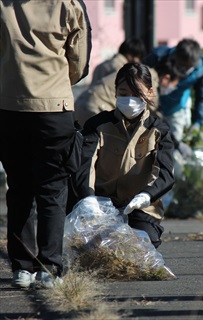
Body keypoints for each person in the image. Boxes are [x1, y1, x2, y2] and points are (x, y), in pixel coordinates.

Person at [0, 0, 91, 289]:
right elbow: (80, 60)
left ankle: (22, 267)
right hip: (54, 106)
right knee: (52, 189)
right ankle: (50, 267)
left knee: (19, 187)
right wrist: (56, 81)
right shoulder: (68, 3)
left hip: (9, 106)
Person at [72, 63, 175, 249]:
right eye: (124, 93)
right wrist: (89, 199)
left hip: (141, 207)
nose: (129, 100)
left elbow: (165, 174)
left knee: (142, 243)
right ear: (115, 93)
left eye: (137, 94)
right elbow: (85, 164)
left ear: (150, 93)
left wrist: (146, 195)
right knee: (89, 246)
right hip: (101, 205)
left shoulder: (159, 130)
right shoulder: (98, 124)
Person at [74, 38, 159, 127]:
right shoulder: (126, 70)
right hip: (99, 109)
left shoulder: (102, 65)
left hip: (81, 105)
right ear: (134, 56)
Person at [143, 38, 203, 141]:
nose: (184, 69)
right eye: (181, 65)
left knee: (171, 143)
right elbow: (139, 76)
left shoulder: (200, 70)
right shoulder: (158, 56)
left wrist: (198, 121)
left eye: (188, 67)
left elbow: (202, 97)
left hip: (175, 108)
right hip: (149, 104)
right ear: (175, 56)